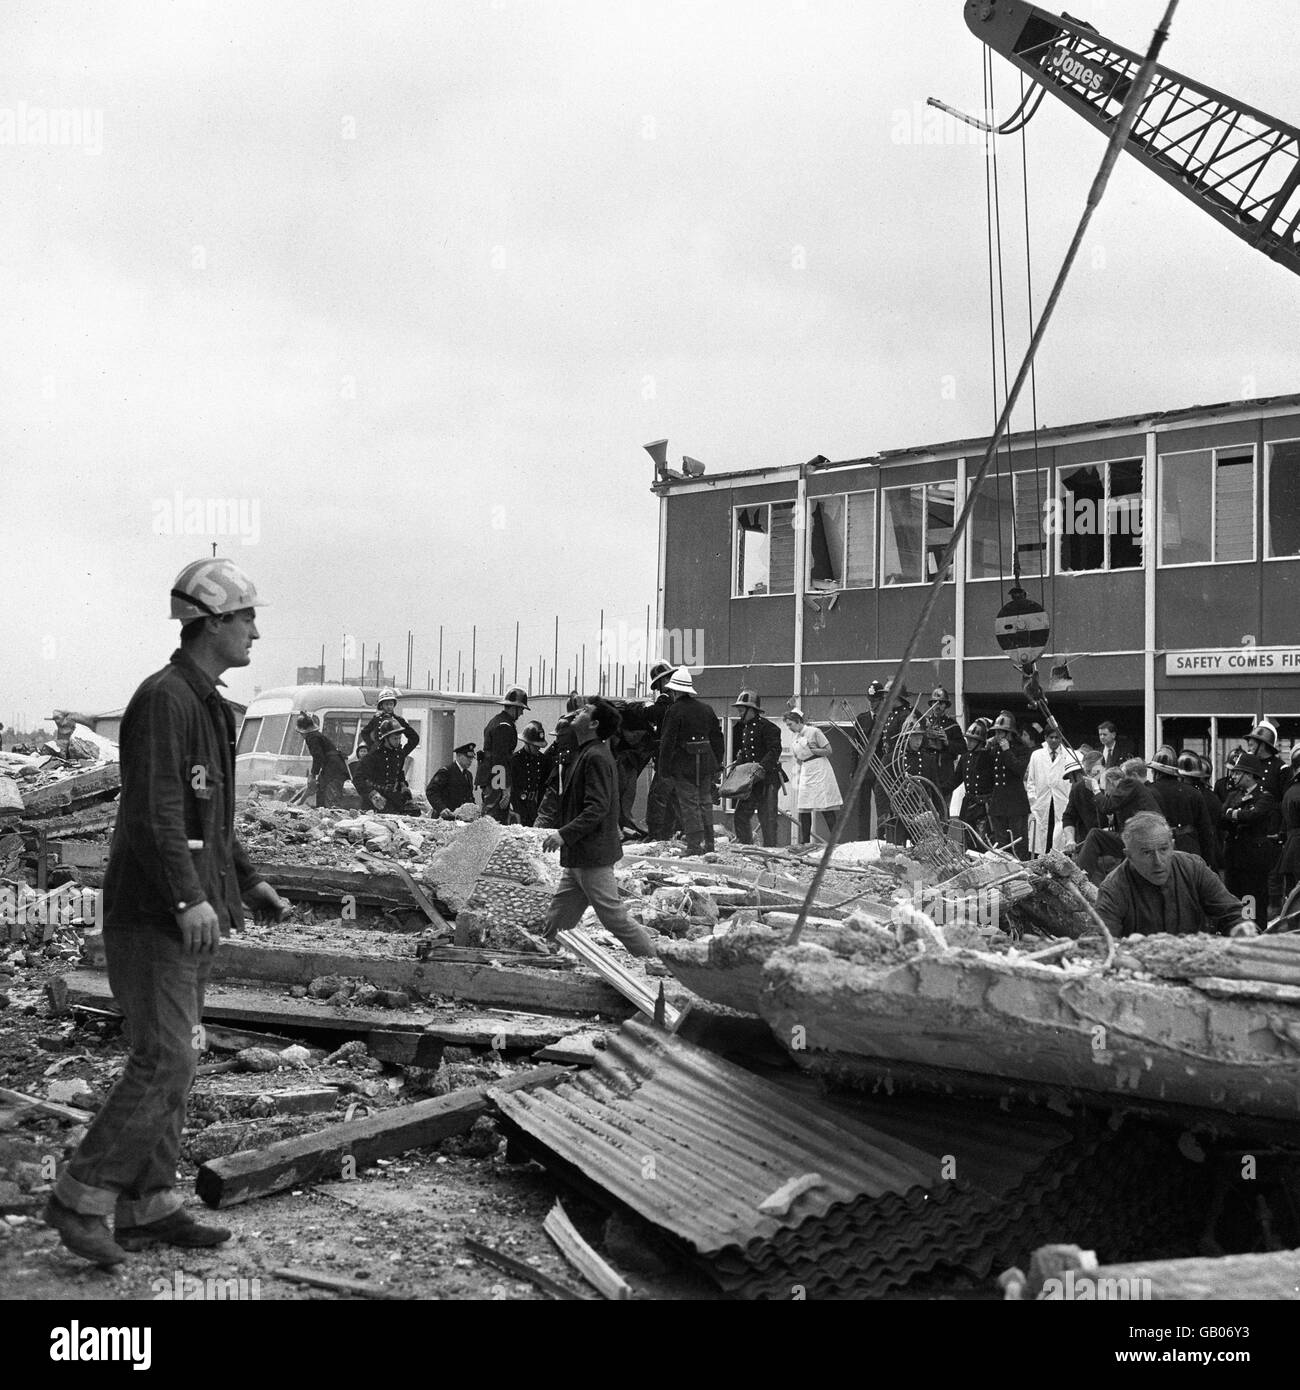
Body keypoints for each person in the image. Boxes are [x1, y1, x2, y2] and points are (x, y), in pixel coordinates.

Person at [46, 558, 290, 1268]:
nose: (255, 631)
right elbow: (154, 812)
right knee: (164, 1059)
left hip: (188, 914)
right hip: (154, 917)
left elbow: (208, 817)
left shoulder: (206, 703)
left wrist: (247, 881)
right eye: (246, 617)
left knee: (177, 1060)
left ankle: (147, 1204)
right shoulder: (165, 700)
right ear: (211, 622)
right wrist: (188, 898)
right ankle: (81, 1194)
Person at [540, 697, 655, 957]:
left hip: (592, 856)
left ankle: (656, 960)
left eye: (585, 711)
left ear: (593, 724)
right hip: (581, 857)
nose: (577, 713)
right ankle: (543, 953)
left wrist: (563, 835)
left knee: (614, 917)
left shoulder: (596, 757)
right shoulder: (588, 752)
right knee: (559, 915)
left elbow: (597, 808)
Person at [1094, 812, 1244, 939]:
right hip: (1140, 968)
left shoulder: (1193, 868)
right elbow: (1103, 941)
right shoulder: (1113, 888)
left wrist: (1243, 930)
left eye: (1164, 849)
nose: (1158, 862)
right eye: (1146, 852)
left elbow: (1231, 913)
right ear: (1129, 855)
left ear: (1172, 845)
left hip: (1196, 962)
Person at [656, 667, 723, 856]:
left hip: (683, 767)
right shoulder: (706, 709)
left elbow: (667, 742)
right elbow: (718, 738)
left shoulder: (674, 711)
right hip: (706, 764)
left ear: (675, 691)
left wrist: (664, 770)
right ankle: (710, 844)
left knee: (689, 804)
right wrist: (717, 763)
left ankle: (694, 846)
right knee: (705, 802)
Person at [1074, 758, 1162, 884]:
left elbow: (1106, 806)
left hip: (1142, 837)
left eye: (1107, 788)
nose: (1108, 793)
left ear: (1111, 782)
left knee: (1095, 835)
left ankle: (1077, 878)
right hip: (1142, 836)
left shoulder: (1129, 783)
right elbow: (1108, 816)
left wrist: (1095, 789)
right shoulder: (1134, 793)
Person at [1221, 751, 1281, 923]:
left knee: (1252, 899)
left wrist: (1234, 814)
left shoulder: (1264, 797)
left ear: (1249, 775)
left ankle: (1252, 931)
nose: (1233, 776)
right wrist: (1238, 814)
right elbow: (1222, 818)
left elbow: (1254, 816)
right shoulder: (1234, 795)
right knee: (1234, 897)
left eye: (1238, 772)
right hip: (1234, 859)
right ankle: (1236, 928)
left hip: (1253, 862)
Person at [729, 689, 784, 846]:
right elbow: (747, 753)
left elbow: (774, 751)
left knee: (767, 819)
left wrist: (761, 767)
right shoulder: (745, 729)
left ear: (751, 710)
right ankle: (746, 846)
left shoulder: (769, 728)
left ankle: (771, 851)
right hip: (751, 781)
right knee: (740, 815)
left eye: (741, 711)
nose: (739, 714)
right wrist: (738, 765)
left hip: (768, 779)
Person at [784, 708, 842, 844]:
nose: (789, 728)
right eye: (787, 725)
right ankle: (804, 842)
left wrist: (812, 750)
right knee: (804, 807)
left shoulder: (814, 732)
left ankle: (835, 842)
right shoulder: (795, 738)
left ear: (798, 721)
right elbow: (798, 757)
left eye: (790, 724)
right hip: (806, 770)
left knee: (825, 806)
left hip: (819, 769)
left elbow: (829, 750)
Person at [641, 662, 680, 840]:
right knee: (674, 798)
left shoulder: (667, 698)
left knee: (657, 796)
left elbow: (653, 713)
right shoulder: (680, 697)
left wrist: (644, 708)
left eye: (658, 686)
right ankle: (670, 833)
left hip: (668, 759)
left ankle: (657, 834)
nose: (658, 690)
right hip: (679, 760)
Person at [479, 685, 529, 823]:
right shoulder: (504, 726)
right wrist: (504, 788)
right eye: (521, 709)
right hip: (496, 777)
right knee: (494, 817)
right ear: (514, 707)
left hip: (492, 776)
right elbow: (500, 760)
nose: (521, 714)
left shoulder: (497, 721)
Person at [986, 711, 1031, 860]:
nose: (997, 735)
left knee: (1018, 841)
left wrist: (1007, 751)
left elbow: (1018, 769)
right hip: (999, 801)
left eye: (1000, 732)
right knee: (1000, 841)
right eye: (996, 732)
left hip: (1015, 801)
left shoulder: (1022, 750)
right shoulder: (995, 750)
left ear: (1008, 733)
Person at [351, 717, 419, 814]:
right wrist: (372, 794)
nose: (398, 741)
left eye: (399, 738)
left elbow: (398, 773)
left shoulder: (399, 753)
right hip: (374, 802)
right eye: (395, 738)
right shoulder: (373, 755)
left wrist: (403, 786)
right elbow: (358, 778)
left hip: (393, 797)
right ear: (386, 738)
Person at [1026, 724, 1074, 854]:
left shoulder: (1069, 755)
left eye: (1057, 737)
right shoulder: (1036, 755)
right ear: (1045, 737)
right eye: (1051, 737)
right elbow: (1030, 781)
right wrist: (1034, 802)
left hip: (1061, 801)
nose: (1054, 740)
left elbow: (1072, 781)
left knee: (1060, 836)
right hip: (1042, 802)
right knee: (1042, 839)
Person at [852, 679, 887, 838]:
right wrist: (853, 770)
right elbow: (854, 746)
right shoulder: (861, 718)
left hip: (880, 767)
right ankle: (862, 838)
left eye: (876, 701)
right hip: (864, 769)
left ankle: (881, 837)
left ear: (882, 700)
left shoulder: (887, 718)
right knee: (862, 806)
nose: (872, 704)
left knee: (882, 805)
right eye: (870, 700)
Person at [295, 712, 349, 808]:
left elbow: (318, 757)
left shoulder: (312, 737)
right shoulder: (316, 735)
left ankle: (330, 815)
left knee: (330, 794)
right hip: (334, 766)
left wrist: (313, 775)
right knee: (322, 789)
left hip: (333, 768)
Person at [955, 718, 993, 847]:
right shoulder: (965, 757)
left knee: (982, 842)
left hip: (983, 806)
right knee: (967, 840)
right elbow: (955, 779)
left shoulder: (988, 756)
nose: (969, 742)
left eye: (972, 740)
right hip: (968, 804)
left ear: (980, 742)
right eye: (968, 739)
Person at [511, 721, 549, 827]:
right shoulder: (515, 760)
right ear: (527, 743)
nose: (538, 748)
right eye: (535, 746)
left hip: (536, 807)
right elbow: (512, 787)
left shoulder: (543, 760)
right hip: (519, 806)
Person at [426, 742, 476, 817]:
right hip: (445, 816)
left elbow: (469, 797)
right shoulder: (446, 772)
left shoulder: (468, 775)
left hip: (460, 817)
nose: (470, 760)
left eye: (472, 758)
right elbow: (431, 791)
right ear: (459, 756)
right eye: (468, 757)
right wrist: (441, 808)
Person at [360, 687, 402, 752]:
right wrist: (373, 745)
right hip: (378, 752)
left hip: (393, 752)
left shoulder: (398, 719)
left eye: (391, 704)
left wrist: (403, 751)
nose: (389, 707)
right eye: (386, 704)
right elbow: (364, 732)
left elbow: (412, 736)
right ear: (381, 705)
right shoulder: (376, 719)